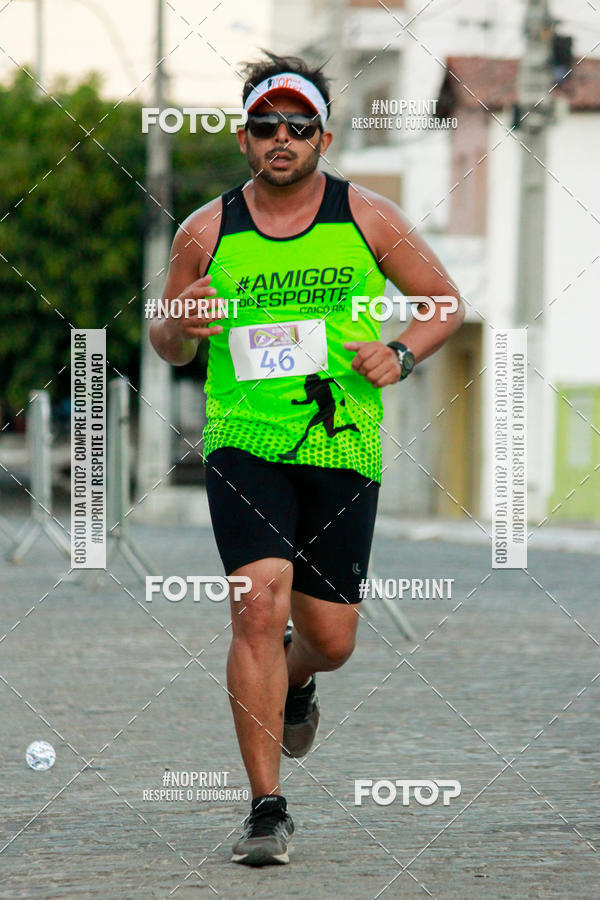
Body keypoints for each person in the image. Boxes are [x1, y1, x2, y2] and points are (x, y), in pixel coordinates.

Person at [149, 51, 464, 867]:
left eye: (297, 125)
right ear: (245, 137)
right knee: (258, 607)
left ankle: (302, 679)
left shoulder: (369, 216)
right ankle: (266, 807)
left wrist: (402, 350)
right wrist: (182, 322)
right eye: (265, 125)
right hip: (243, 441)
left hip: (341, 444)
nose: (280, 138)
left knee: (330, 636)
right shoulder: (206, 230)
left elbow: (443, 303)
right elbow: (166, 342)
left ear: (323, 134)